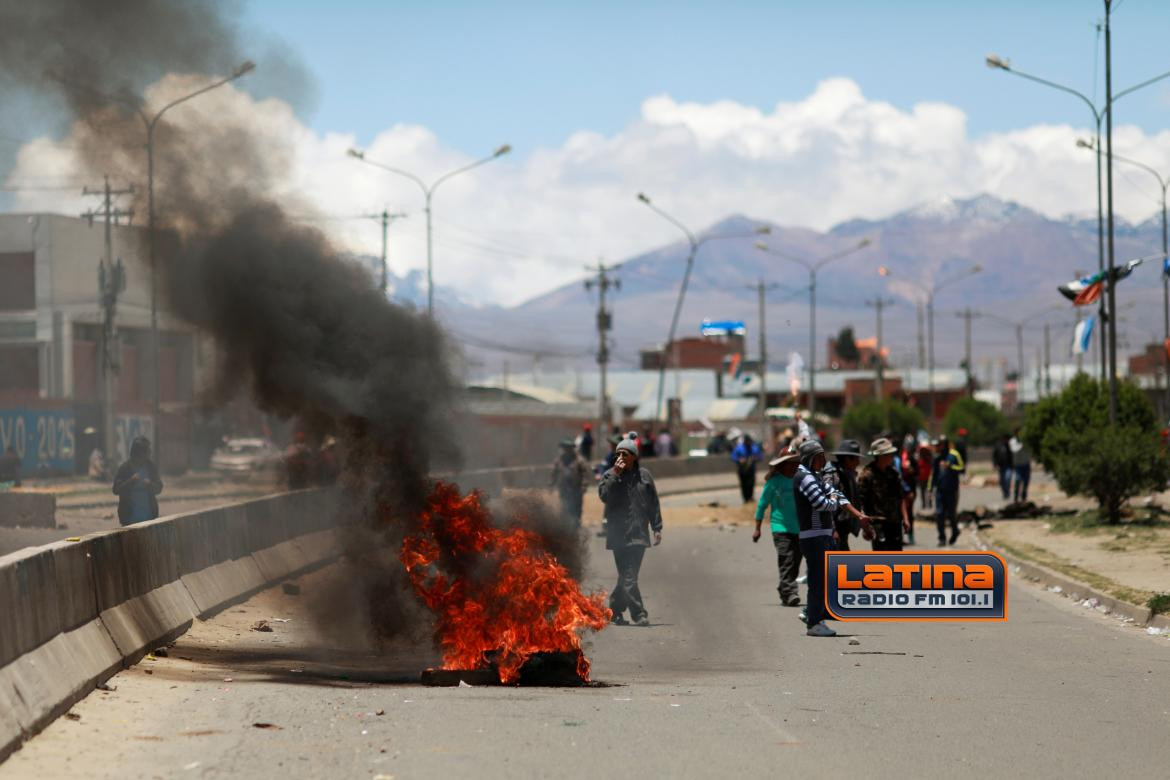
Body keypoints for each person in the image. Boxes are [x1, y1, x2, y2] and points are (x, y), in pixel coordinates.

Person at [793, 440, 872, 637]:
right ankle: (814, 621)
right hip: (814, 535)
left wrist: (857, 514)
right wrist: (834, 502)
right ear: (810, 458)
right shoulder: (805, 477)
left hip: (822, 535)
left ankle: (814, 615)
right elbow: (822, 504)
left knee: (824, 579)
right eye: (819, 457)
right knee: (818, 580)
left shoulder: (815, 476)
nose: (823, 461)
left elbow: (836, 495)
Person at [598, 439, 663, 627]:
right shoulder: (610, 475)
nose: (620, 458)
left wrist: (657, 527)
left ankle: (616, 611)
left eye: (624, 454)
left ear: (634, 457)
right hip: (619, 537)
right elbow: (604, 496)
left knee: (628, 576)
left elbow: (653, 504)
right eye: (617, 454)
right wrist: (615, 474)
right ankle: (638, 613)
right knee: (628, 576)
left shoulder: (644, 476)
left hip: (639, 536)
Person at [752, 447, 803, 606]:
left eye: (795, 462)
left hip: (800, 528)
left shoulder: (801, 480)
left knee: (795, 561)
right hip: (780, 527)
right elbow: (762, 505)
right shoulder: (774, 482)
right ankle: (790, 592)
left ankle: (784, 588)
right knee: (786, 558)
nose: (793, 466)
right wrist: (757, 528)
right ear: (782, 465)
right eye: (789, 463)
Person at [858, 437, 912, 551]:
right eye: (889, 454)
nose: (892, 457)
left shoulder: (893, 473)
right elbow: (860, 501)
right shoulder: (867, 475)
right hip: (877, 523)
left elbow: (900, 497)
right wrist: (865, 526)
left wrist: (906, 519)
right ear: (881, 456)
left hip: (894, 522)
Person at [112, 437, 163, 526]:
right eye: (146, 451)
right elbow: (116, 490)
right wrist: (130, 481)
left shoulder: (150, 467)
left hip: (149, 519)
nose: (149, 454)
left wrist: (150, 484)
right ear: (138, 452)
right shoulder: (125, 468)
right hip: (129, 520)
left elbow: (159, 487)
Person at [824, 439, 863, 551]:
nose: (858, 462)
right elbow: (828, 505)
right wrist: (832, 529)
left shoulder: (849, 475)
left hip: (843, 528)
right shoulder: (832, 475)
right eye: (856, 459)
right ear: (847, 459)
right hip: (833, 529)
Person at [932, 435, 964, 546]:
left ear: (944, 444)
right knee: (939, 514)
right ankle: (942, 537)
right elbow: (933, 474)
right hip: (940, 491)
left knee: (951, 514)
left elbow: (962, 468)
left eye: (939, 444)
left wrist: (951, 466)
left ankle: (955, 531)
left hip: (952, 490)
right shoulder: (937, 458)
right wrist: (930, 487)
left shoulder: (954, 455)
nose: (937, 447)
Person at [551, 439, 589, 526]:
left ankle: (576, 527)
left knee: (576, 509)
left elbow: (585, 474)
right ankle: (565, 528)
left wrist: (584, 486)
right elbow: (554, 472)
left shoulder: (579, 460)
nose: (567, 450)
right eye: (565, 448)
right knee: (564, 508)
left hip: (576, 489)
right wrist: (551, 483)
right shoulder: (559, 460)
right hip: (564, 489)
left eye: (569, 448)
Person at [731, 434, 763, 503]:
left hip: (751, 469)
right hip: (742, 469)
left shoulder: (754, 448)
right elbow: (733, 456)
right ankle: (746, 499)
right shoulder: (739, 448)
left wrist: (755, 458)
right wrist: (739, 460)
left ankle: (750, 497)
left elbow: (760, 456)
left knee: (751, 484)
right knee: (744, 485)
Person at [900, 435, 919, 545]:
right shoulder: (900, 458)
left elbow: (917, 473)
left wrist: (911, 471)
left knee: (909, 514)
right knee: (900, 514)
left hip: (910, 491)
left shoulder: (913, 459)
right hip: (901, 490)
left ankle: (911, 535)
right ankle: (900, 537)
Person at [1010, 428, 1032, 502]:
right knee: (1018, 481)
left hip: (1026, 464)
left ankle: (1024, 496)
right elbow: (1014, 450)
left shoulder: (1027, 441)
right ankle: (1016, 497)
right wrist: (1022, 444)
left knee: (1026, 481)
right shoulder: (1012, 441)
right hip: (1018, 465)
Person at [992, 433, 1014, 501]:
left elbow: (1013, 456)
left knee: (1007, 479)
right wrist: (995, 464)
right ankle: (1004, 492)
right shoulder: (998, 445)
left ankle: (1007, 492)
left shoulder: (1010, 446)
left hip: (1009, 466)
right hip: (1001, 466)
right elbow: (994, 455)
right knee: (1002, 481)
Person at [916, 441, 934, 511]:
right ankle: (923, 504)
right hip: (921, 478)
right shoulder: (920, 458)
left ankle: (930, 503)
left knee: (929, 491)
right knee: (922, 491)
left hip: (928, 477)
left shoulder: (929, 458)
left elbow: (932, 467)